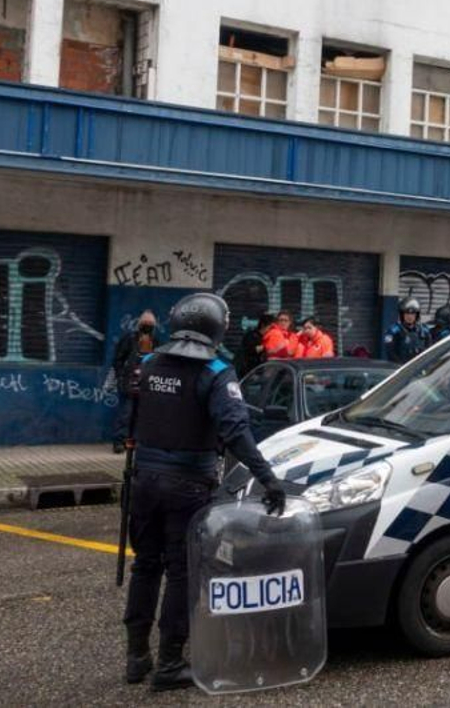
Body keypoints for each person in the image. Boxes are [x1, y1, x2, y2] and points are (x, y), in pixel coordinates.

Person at [120, 292, 286, 692]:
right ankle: (170, 662)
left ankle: (136, 657)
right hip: (188, 485)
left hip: (143, 480)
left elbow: (129, 415)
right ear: (216, 327)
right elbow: (235, 433)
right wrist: (269, 479)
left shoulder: (146, 363)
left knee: (145, 566)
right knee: (182, 572)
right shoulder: (215, 371)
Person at [110, 311, 162, 454]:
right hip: (129, 383)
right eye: (145, 323)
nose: (148, 326)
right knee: (125, 414)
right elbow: (118, 359)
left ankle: (135, 442)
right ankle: (119, 442)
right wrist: (122, 375)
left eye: (150, 324)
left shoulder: (156, 341)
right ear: (139, 324)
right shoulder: (129, 338)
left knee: (142, 415)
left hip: (147, 384)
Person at [382, 298, 430, 364]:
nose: (409, 317)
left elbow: (429, 349)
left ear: (417, 315)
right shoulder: (394, 331)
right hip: (400, 367)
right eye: (407, 313)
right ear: (402, 315)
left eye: (413, 314)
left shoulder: (424, 331)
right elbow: (390, 352)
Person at [235, 313, 272, 379]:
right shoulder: (252, 336)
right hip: (249, 373)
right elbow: (249, 351)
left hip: (260, 373)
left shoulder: (267, 337)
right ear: (263, 325)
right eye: (270, 327)